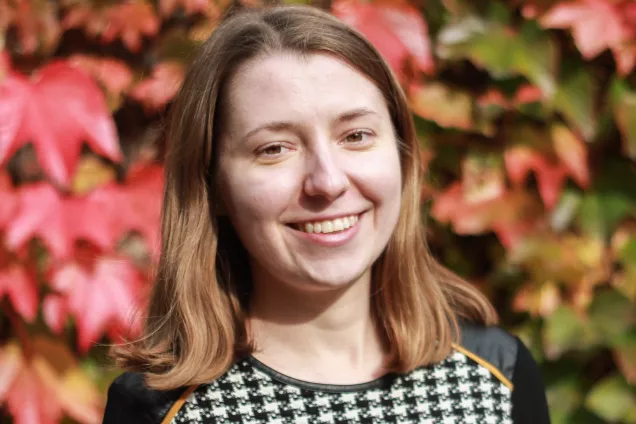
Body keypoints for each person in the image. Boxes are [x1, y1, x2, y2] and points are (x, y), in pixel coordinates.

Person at [102, 5, 551, 424]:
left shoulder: (495, 379)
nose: (328, 181)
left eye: (355, 135)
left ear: (402, 154)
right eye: (274, 149)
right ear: (212, 186)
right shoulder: (159, 410)